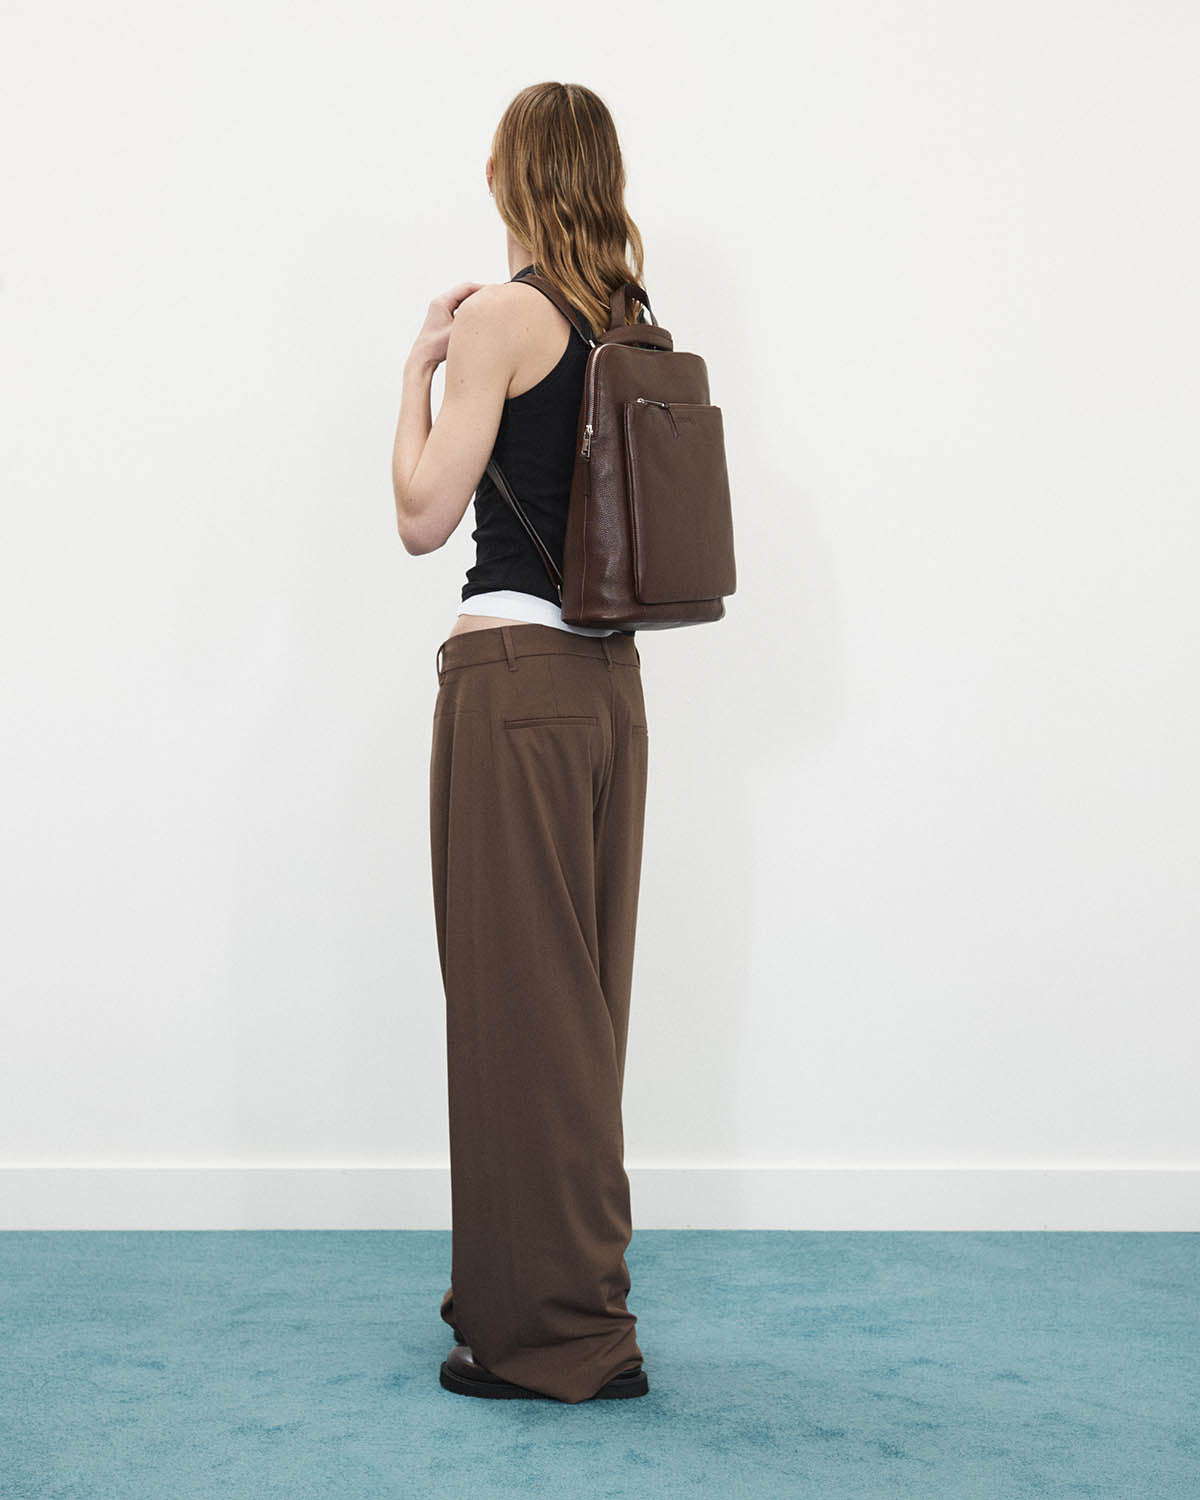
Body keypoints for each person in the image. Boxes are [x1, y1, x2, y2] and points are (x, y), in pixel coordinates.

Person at [390, 82, 652, 1404]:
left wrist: (417, 374)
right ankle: (544, 1301)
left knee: (512, 1011)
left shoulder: (503, 317)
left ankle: (554, 1338)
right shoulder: (630, 322)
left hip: (512, 681)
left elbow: (422, 517)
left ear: (509, 176)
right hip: (610, 692)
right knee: (577, 1016)